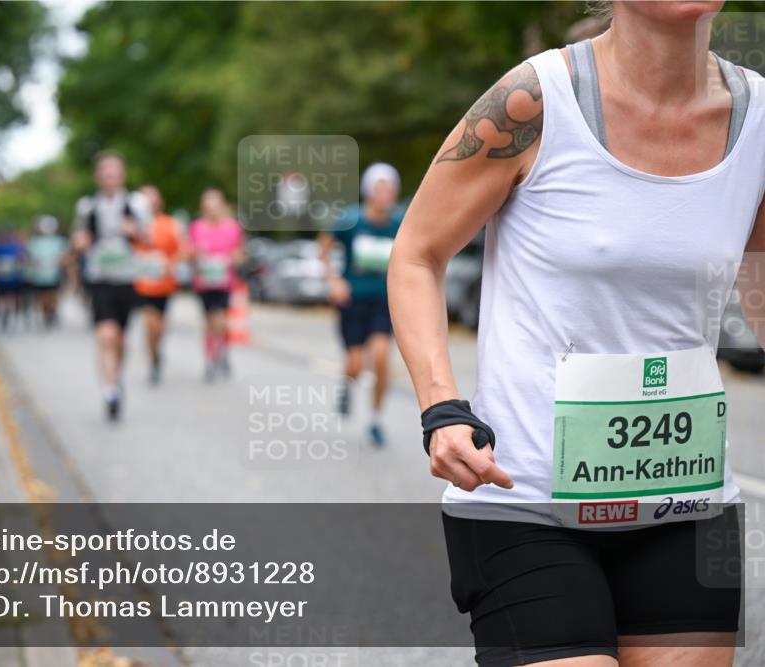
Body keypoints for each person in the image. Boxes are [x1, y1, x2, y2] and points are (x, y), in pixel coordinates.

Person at [387, 2, 764, 666]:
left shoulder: (759, 118)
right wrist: (442, 409)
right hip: (525, 498)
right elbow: (417, 254)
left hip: (686, 501)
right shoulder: (530, 102)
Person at [319, 162, 404, 447]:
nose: (385, 194)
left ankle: (375, 420)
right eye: (379, 188)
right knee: (355, 365)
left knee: (380, 358)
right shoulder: (351, 219)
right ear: (369, 191)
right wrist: (333, 281)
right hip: (352, 300)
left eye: (389, 189)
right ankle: (347, 385)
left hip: (383, 300)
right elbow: (325, 246)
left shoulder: (400, 223)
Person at [72, 151, 152, 420]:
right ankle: (109, 389)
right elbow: (79, 239)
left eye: (114, 173)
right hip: (99, 278)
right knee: (106, 335)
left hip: (127, 279)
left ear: (122, 176)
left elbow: (149, 239)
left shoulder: (136, 204)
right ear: (98, 177)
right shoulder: (87, 207)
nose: (109, 178)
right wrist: (79, 244)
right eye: (105, 174)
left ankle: (116, 377)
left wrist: (136, 233)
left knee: (120, 338)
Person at [188, 189, 244, 381]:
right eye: (208, 205)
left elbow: (239, 253)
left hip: (224, 281)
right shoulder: (197, 227)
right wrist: (196, 253)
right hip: (204, 282)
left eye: (215, 205)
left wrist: (233, 259)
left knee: (220, 320)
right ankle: (210, 359)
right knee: (209, 323)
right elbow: (189, 252)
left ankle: (222, 351)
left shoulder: (232, 228)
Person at [133, 185, 184, 384]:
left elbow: (181, 250)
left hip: (164, 283)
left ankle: (156, 353)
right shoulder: (133, 224)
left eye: (151, 197)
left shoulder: (170, 224)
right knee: (150, 323)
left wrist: (171, 263)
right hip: (142, 283)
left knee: (160, 327)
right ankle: (153, 359)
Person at [24, 214, 68, 328]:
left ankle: (51, 311)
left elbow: (64, 257)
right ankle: (46, 314)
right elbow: (29, 258)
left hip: (54, 274)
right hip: (39, 276)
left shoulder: (59, 241)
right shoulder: (34, 242)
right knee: (42, 297)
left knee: (53, 295)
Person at [0, 229, 25, 331]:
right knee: (8, 296)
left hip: (8, 277)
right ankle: (6, 312)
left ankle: (5, 312)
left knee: (4, 297)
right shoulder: (15, 248)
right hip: (8, 277)